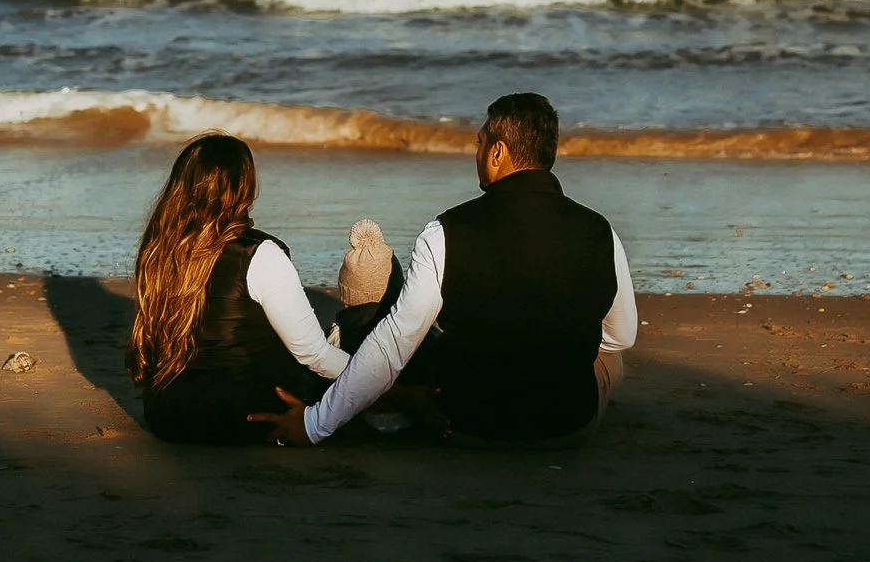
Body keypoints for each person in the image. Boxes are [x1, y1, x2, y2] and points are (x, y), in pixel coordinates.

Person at [253, 93, 637, 448]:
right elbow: (621, 336)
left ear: (498, 152)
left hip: (469, 426)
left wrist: (314, 424)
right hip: (566, 429)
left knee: (417, 338)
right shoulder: (601, 230)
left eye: (480, 142)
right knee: (608, 358)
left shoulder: (446, 232)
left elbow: (393, 344)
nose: (478, 151)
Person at [127, 133, 350, 444]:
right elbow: (314, 355)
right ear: (245, 187)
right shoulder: (258, 253)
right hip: (251, 415)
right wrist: (382, 382)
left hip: (168, 417)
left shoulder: (158, 250)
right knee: (353, 335)